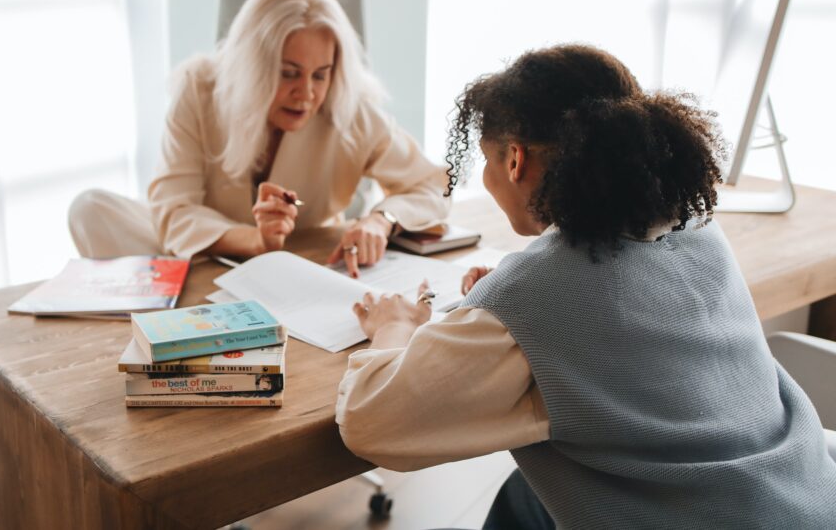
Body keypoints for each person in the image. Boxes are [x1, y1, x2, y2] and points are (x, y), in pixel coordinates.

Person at [335, 44, 836, 528]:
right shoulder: (696, 225)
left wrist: (394, 329)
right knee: (525, 495)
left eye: (486, 163)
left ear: (515, 160)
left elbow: (368, 421)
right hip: (805, 494)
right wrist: (511, 309)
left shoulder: (536, 297)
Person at [69, 0, 449, 273]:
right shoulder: (199, 89)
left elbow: (431, 185)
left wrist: (381, 221)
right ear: (252, 66)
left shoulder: (350, 106)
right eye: (288, 73)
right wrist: (256, 241)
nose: (306, 93)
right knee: (90, 209)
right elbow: (173, 210)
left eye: (321, 74)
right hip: (205, 251)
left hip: (301, 258)